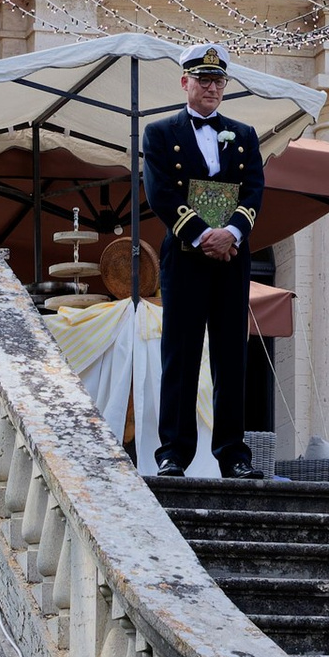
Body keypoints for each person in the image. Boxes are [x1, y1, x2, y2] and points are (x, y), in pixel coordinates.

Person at [140, 44, 266, 479]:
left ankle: (233, 455)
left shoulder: (244, 134)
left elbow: (254, 190)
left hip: (232, 256)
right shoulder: (159, 133)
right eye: (203, 80)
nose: (211, 88)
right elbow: (159, 192)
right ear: (185, 82)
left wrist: (231, 233)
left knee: (231, 355)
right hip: (184, 256)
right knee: (181, 353)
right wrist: (201, 234)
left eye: (218, 81)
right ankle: (173, 453)